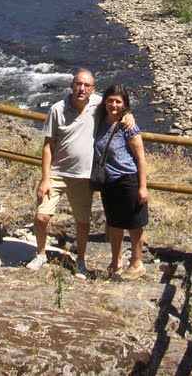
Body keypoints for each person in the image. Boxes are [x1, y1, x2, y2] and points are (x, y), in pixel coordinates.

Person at [28, 69, 134, 276]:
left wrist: (128, 115)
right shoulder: (57, 109)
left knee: (83, 222)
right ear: (72, 85)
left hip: (84, 176)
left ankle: (81, 262)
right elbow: (48, 145)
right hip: (57, 173)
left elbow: (117, 106)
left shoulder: (98, 105)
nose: (82, 89)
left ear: (93, 89)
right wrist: (45, 178)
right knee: (42, 217)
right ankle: (40, 254)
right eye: (79, 84)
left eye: (87, 85)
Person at [94, 84, 148, 280]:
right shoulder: (99, 120)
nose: (113, 105)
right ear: (104, 101)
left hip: (128, 180)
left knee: (135, 224)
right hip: (108, 181)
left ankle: (137, 263)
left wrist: (143, 187)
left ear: (125, 104)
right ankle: (115, 261)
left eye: (118, 101)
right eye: (110, 100)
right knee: (115, 223)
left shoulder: (128, 126)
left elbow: (141, 158)